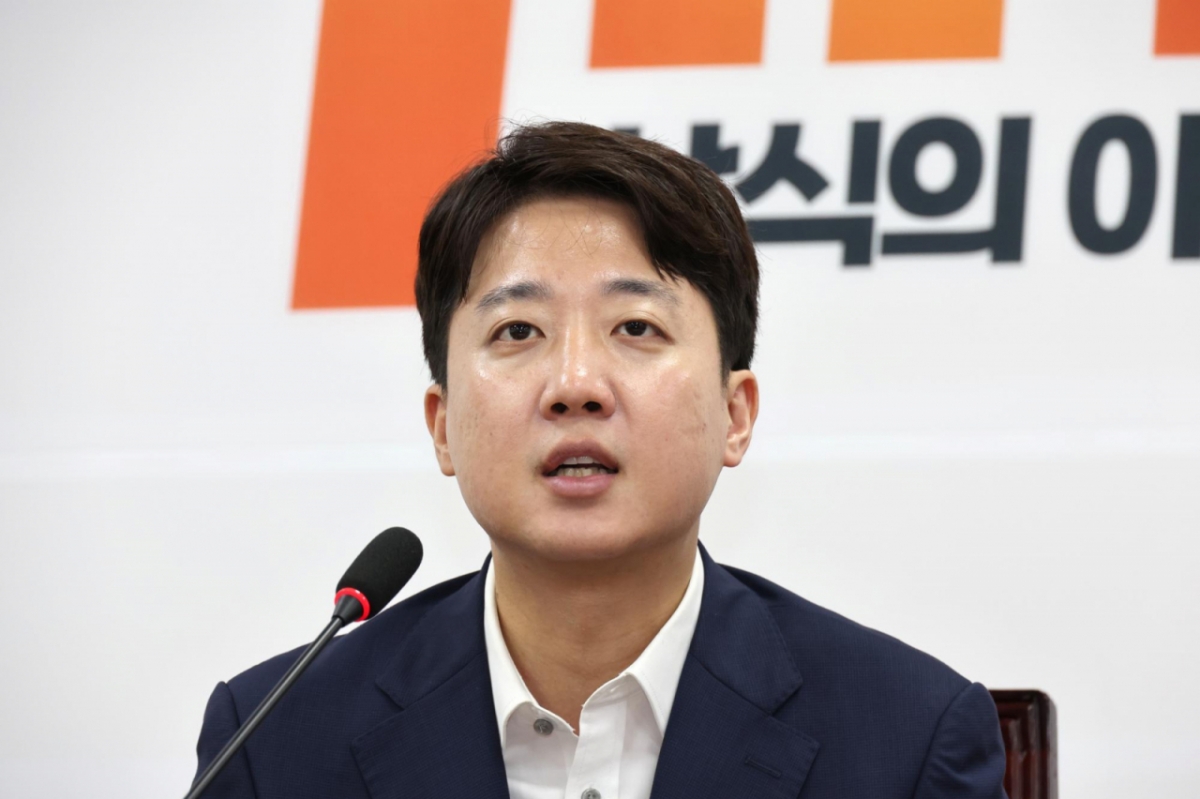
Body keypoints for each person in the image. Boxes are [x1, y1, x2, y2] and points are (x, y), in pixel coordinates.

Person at [193, 121, 1007, 799]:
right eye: (518, 331)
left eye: (636, 328)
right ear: (442, 425)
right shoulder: (270, 742)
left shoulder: (907, 742)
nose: (575, 385)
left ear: (735, 413)